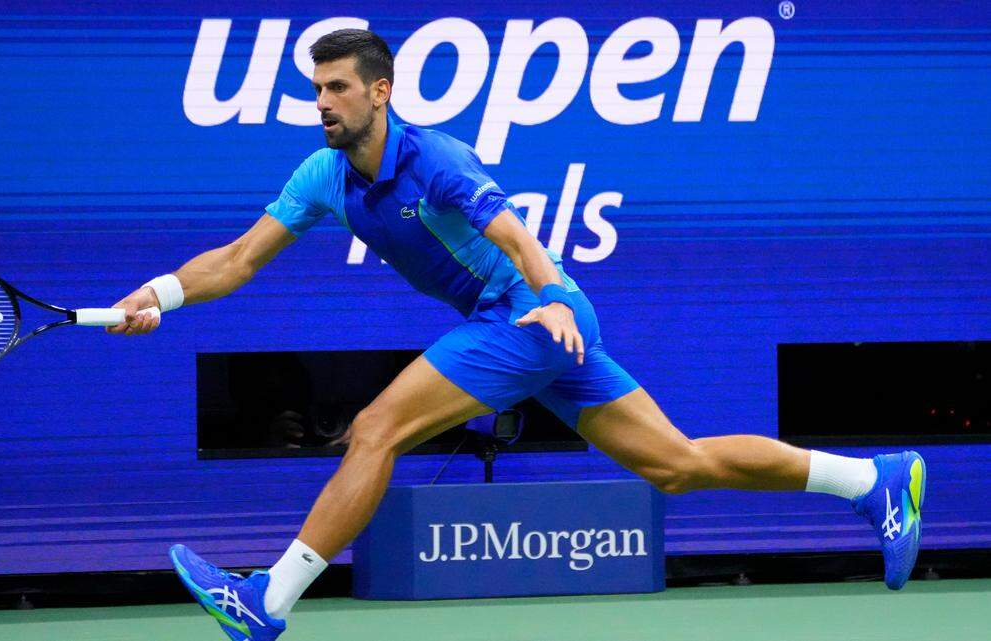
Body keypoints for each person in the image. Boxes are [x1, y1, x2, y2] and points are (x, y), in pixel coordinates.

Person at [109, 29, 926, 641]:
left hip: (530, 314)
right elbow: (237, 260)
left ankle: (268, 601)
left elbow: (517, 236)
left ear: (380, 91)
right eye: (315, 89)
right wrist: (157, 294)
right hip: (520, 324)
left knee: (376, 428)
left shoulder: (434, 160)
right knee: (677, 464)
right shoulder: (323, 175)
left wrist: (557, 300)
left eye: (336, 88)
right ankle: (872, 481)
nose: (321, 102)